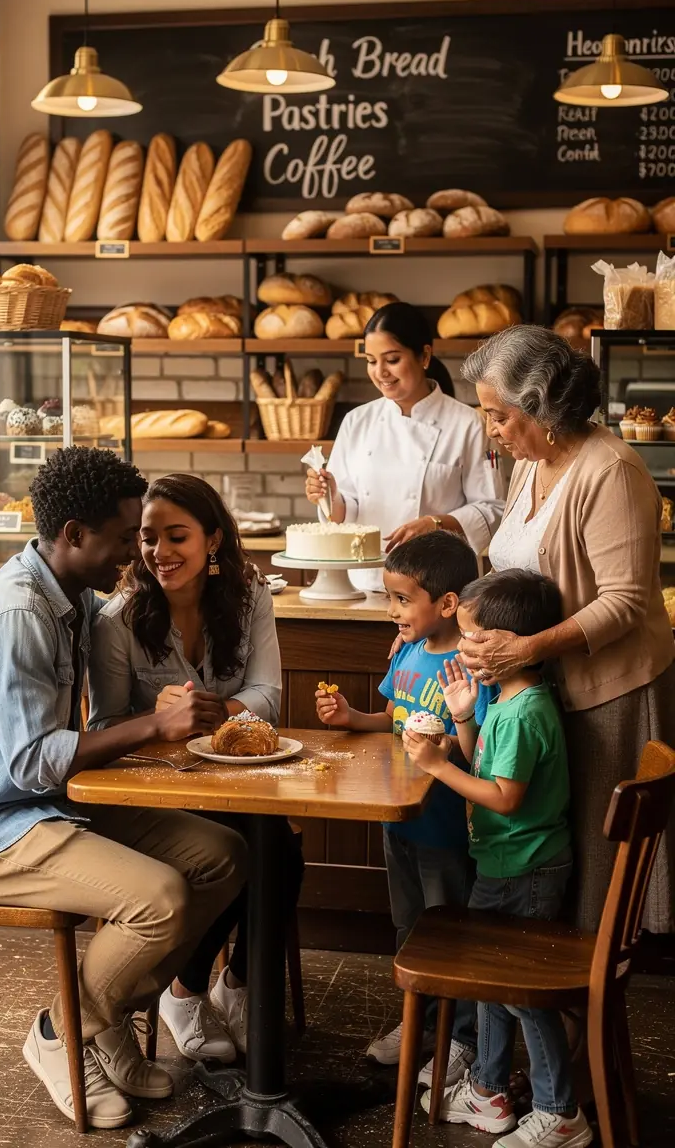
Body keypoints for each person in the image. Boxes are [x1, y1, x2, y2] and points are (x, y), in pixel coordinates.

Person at [0, 448, 248, 1131]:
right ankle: (63, 1032)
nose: (135, 553)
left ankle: (102, 1020)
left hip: (43, 807)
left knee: (223, 855)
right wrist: (157, 722)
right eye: (126, 538)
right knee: (161, 899)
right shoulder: (19, 613)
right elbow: (34, 760)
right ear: (73, 537)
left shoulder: (73, 599)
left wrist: (220, 582)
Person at [460, 325, 674, 935]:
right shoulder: (532, 461)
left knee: (592, 869)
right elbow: (520, 557)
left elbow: (626, 602)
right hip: (545, 690)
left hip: (610, 694)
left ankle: (579, 1013)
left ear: (541, 407)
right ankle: (543, 1014)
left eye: (497, 415)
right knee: (549, 858)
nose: (491, 430)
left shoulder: (613, 472)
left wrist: (526, 648)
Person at [88, 473, 302, 1063]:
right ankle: (184, 989)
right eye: (148, 538)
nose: (160, 553)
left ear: (213, 540)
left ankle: (237, 983)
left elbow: (268, 694)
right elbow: (103, 727)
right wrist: (151, 718)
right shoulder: (119, 620)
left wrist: (218, 712)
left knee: (279, 851)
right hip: (155, 791)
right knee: (234, 848)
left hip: (235, 779)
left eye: (176, 536)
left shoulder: (252, 594)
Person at [408, 569, 592, 1148]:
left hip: (524, 869)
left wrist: (438, 769)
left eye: (471, 637)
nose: (460, 648)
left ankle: (561, 1113)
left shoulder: (521, 713)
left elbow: (506, 799)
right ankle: (488, 1090)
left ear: (509, 643)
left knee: (519, 993)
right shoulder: (509, 701)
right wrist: (463, 717)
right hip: (506, 862)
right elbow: (487, 767)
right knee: (489, 983)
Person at [316, 530, 490, 1075]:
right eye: (390, 597)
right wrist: (352, 719)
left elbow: (476, 752)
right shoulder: (410, 653)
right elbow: (389, 720)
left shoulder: (467, 668)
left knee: (449, 933)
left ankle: (458, 1038)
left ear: (447, 604)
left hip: (447, 827)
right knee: (409, 928)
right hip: (400, 823)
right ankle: (416, 1020)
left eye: (401, 599)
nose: (391, 610)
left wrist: (446, 746)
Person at [304, 301, 504, 590]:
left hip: (439, 587)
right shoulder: (356, 421)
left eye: (392, 359)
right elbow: (345, 513)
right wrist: (328, 495)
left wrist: (435, 524)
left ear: (424, 355)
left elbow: (492, 509)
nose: (380, 372)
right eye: (372, 361)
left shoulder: (467, 423)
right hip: (366, 582)